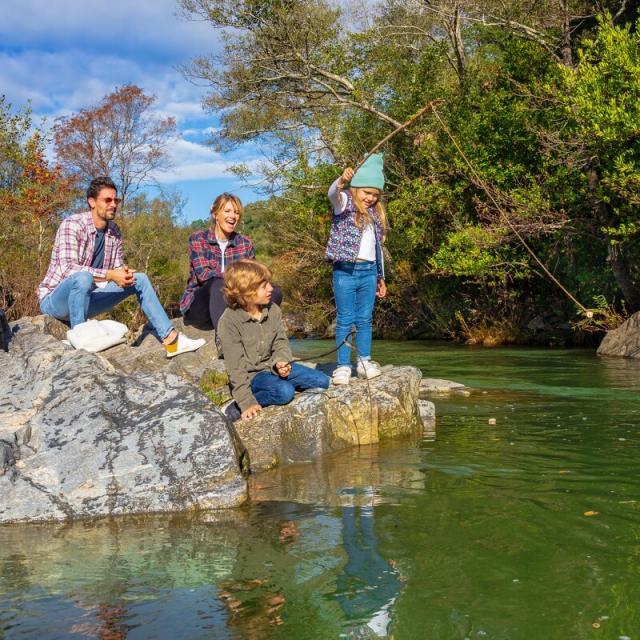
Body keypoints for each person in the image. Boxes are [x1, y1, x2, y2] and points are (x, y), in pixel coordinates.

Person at [38, 176, 205, 358]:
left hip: (89, 299)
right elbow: (68, 269)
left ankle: (172, 341)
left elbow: (117, 267)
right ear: (92, 202)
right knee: (83, 277)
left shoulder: (114, 232)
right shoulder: (73, 224)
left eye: (115, 200)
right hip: (55, 301)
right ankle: (79, 337)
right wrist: (110, 274)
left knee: (139, 278)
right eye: (107, 200)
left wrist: (124, 273)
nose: (113, 204)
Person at [217, 259, 329, 421]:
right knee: (284, 392)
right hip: (253, 377)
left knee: (322, 381)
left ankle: (277, 386)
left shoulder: (273, 309)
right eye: (264, 286)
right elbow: (235, 368)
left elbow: (280, 342)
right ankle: (237, 405)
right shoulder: (229, 322)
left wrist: (281, 361)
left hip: (273, 369)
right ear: (246, 291)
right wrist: (246, 402)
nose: (271, 289)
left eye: (269, 283)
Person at [180, 193, 282, 334]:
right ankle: (224, 341)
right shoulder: (198, 238)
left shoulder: (245, 243)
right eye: (227, 211)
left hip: (234, 303)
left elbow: (254, 278)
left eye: (236, 212)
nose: (233, 216)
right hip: (201, 308)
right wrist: (237, 278)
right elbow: (204, 275)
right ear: (216, 214)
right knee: (217, 284)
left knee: (274, 291)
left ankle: (261, 334)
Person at [325, 153, 387, 385]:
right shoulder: (344, 204)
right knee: (344, 319)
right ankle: (342, 366)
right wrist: (341, 180)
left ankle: (364, 361)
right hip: (345, 271)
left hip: (369, 272)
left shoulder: (375, 215)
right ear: (355, 189)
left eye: (375, 195)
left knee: (364, 319)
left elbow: (377, 250)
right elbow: (332, 192)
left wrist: (381, 277)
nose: (370, 198)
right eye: (366, 193)